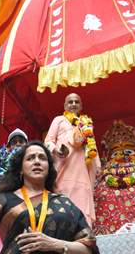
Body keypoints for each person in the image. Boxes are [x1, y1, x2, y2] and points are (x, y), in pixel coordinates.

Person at [0, 141, 98, 254]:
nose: (37, 161)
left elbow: (88, 247)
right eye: (30, 158)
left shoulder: (64, 203)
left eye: (42, 158)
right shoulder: (5, 200)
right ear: (20, 169)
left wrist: (54, 244)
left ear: (49, 168)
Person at [44, 93, 100, 226]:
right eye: (70, 102)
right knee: (63, 202)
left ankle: (83, 235)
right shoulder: (59, 120)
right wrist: (56, 150)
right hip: (63, 169)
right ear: (65, 105)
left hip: (82, 172)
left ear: (81, 106)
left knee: (83, 203)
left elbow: (93, 147)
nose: (73, 104)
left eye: (76, 102)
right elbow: (48, 141)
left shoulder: (86, 123)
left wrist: (97, 166)